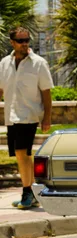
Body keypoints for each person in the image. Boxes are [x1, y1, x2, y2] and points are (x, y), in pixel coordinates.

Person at [0, 27, 53, 209]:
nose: (24, 44)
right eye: (20, 41)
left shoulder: (39, 63)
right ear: (12, 42)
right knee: (22, 155)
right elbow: (1, 89)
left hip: (29, 115)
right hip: (12, 116)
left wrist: (47, 117)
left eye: (27, 40)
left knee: (23, 153)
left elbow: (46, 93)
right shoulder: (4, 63)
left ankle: (27, 193)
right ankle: (31, 192)